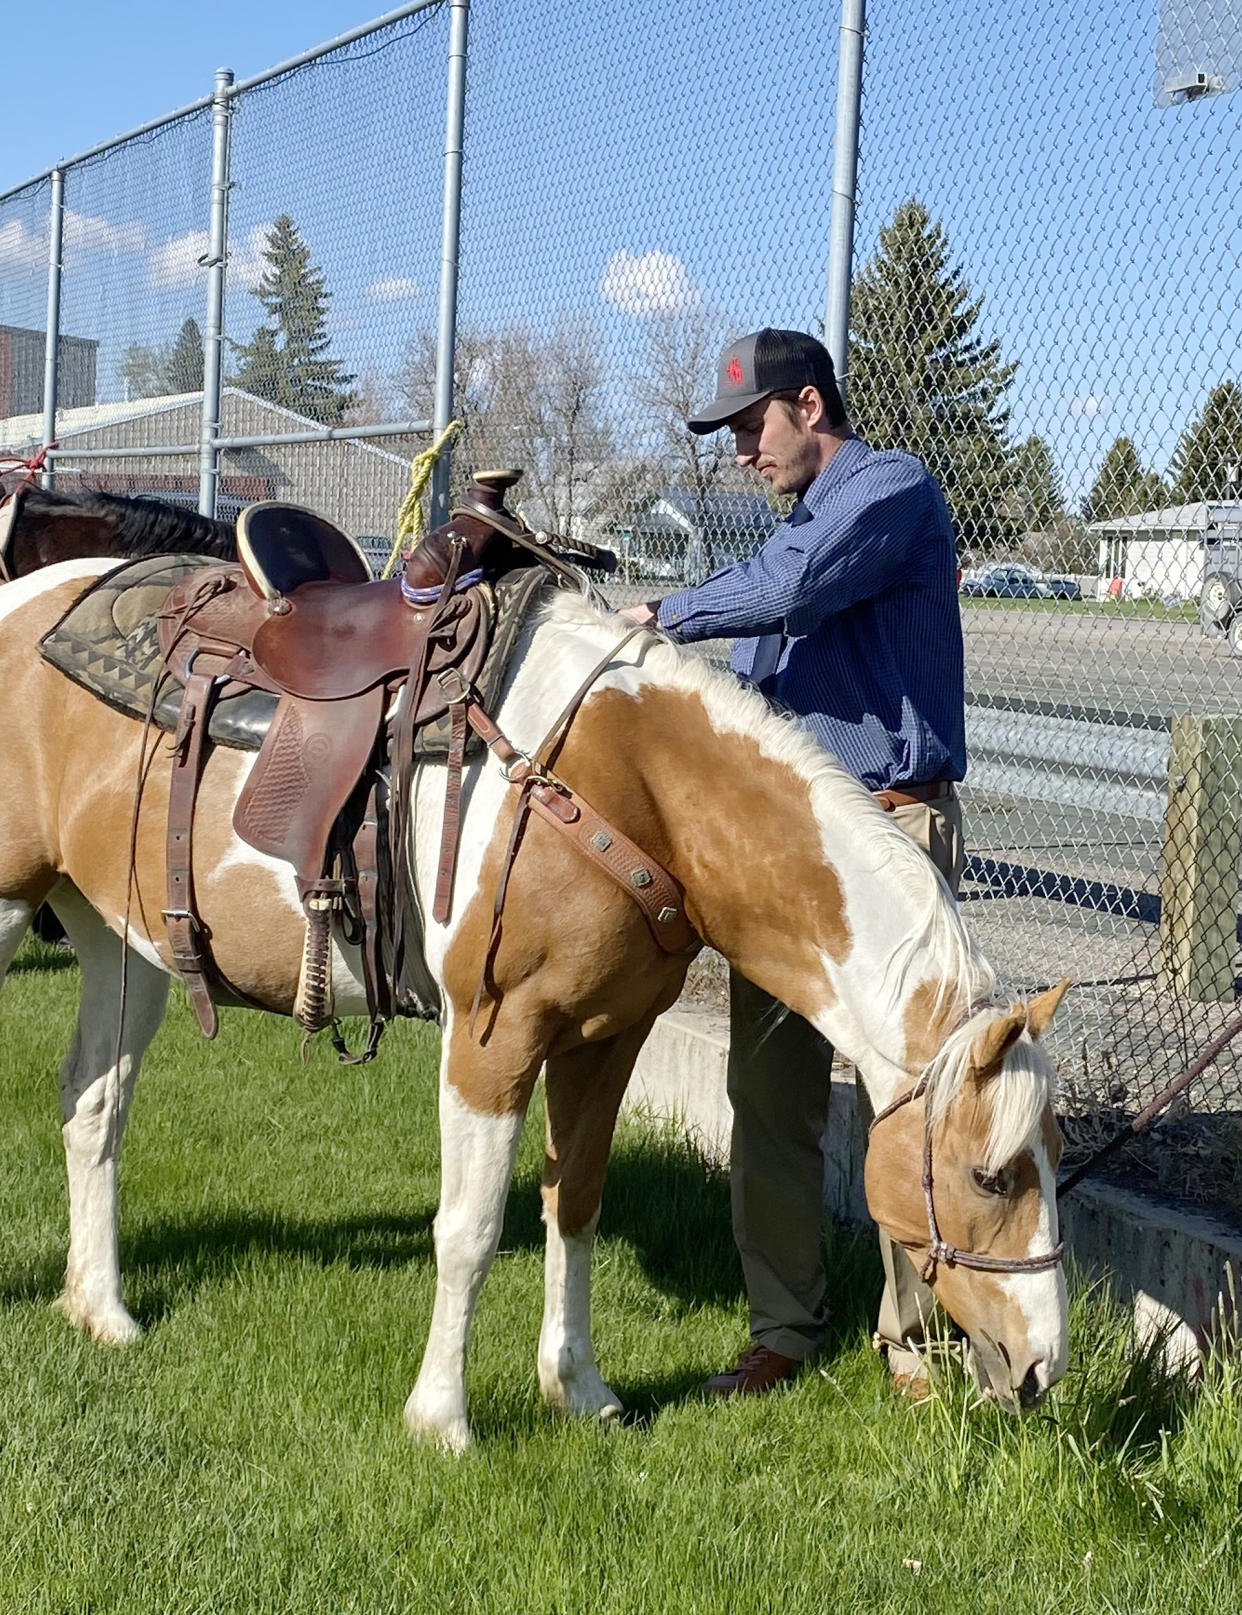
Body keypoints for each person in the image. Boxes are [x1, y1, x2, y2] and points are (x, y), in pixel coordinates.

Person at [619, 327, 966, 1397]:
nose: (738, 453)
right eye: (727, 437)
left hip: (892, 836)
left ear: (808, 406)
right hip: (789, 856)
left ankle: (921, 1347)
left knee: (909, 1092)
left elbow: (794, 588)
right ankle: (785, 1329)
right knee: (767, 1093)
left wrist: (661, 615)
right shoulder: (787, 530)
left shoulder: (891, 490)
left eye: (748, 428)